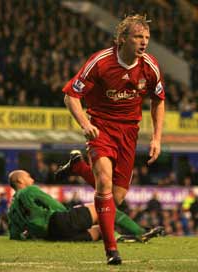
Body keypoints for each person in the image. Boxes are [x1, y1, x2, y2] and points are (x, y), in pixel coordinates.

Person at [62, 14, 165, 264]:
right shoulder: (100, 62)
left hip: (129, 133)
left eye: (147, 38)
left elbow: (158, 101)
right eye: (138, 37)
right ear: (122, 39)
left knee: (115, 197)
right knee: (104, 183)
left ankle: (78, 167)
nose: (144, 42)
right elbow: (70, 96)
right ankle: (111, 251)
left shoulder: (149, 66)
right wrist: (85, 124)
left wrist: (156, 139)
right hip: (101, 129)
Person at [8, 170, 163, 243]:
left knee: (100, 230)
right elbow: (54, 204)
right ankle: (141, 231)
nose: (32, 179)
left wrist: (31, 235)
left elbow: (15, 235)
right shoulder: (29, 190)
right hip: (59, 222)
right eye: (29, 176)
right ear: (20, 181)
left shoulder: (12, 207)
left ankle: (125, 239)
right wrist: (70, 215)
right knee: (104, 208)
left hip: (51, 236)